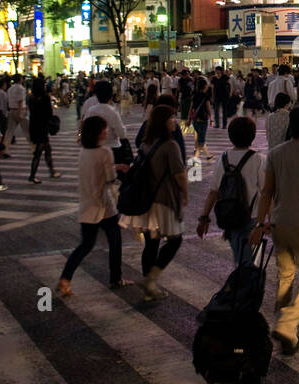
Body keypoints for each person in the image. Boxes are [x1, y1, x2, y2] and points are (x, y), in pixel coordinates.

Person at [249, 106, 299, 355]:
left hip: (279, 223)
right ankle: (287, 323)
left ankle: (284, 326)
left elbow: (266, 193)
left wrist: (259, 222)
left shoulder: (275, 153)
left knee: (286, 275)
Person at [119, 104, 188, 301]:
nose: (175, 121)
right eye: (172, 118)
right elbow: (180, 175)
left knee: (151, 243)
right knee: (175, 240)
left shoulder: (146, 143)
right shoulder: (170, 145)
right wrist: (185, 193)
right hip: (164, 201)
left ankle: (149, 286)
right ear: (163, 122)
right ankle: (152, 278)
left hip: (147, 200)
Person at [57, 114, 128, 297]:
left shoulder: (84, 152)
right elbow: (110, 179)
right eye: (104, 129)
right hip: (104, 205)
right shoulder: (105, 152)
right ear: (98, 133)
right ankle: (115, 278)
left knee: (85, 245)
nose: (106, 131)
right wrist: (117, 169)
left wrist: (116, 166)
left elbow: (94, 173)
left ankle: (65, 279)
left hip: (87, 205)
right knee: (115, 241)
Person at [196, 115, 267, 265]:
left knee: (240, 261)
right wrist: (268, 221)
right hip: (251, 219)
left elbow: (213, 192)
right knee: (248, 266)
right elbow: (266, 193)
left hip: (230, 217)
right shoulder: (258, 160)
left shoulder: (223, 159)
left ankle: (241, 285)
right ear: (252, 136)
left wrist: (204, 218)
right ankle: (242, 287)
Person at [28, 77, 60, 184]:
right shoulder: (45, 98)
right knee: (39, 152)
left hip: (34, 126)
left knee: (47, 149)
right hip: (42, 127)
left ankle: (52, 171)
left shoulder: (31, 98)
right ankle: (32, 175)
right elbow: (49, 113)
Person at [5, 74, 28, 144]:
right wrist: (20, 113)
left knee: (9, 132)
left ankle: (4, 149)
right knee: (27, 130)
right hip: (20, 110)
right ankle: (34, 148)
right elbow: (20, 101)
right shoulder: (21, 88)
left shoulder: (10, 89)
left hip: (12, 110)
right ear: (20, 79)